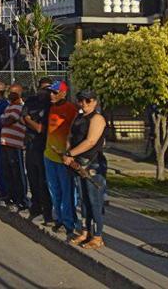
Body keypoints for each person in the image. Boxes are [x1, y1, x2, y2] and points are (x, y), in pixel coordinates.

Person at [65, 90, 108, 249]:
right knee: (83, 200)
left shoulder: (97, 118)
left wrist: (70, 153)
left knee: (94, 200)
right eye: (81, 100)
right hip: (78, 163)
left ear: (95, 101)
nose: (84, 103)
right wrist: (67, 154)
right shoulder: (79, 117)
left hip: (93, 164)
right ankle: (85, 231)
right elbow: (70, 136)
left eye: (88, 101)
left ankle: (97, 236)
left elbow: (90, 142)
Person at [44, 81, 79, 234]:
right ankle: (58, 217)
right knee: (54, 189)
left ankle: (69, 221)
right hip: (49, 155)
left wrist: (70, 154)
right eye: (51, 92)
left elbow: (75, 134)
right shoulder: (52, 108)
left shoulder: (71, 110)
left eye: (55, 92)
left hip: (64, 158)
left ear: (63, 93)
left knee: (67, 191)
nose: (52, 95)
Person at [22, 78, 54, 223]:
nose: (45, 92)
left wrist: (31, 122)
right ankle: (35, 206)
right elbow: (23, 117)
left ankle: (46, 211)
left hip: (45, 147)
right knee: (32, 178)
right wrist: (31, 122)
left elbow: (42, 129)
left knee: (43, 181)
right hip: (30, 144)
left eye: (48, 89)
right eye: (43, 88)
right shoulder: (31, 101)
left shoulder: (51, 106)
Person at [0, 84, 28, 210]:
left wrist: (5, 121)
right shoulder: (9, 106)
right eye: (9, 92)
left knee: (17, 172)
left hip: (15, 144)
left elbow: (9, 121)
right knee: (8, 171)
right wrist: (5, 121)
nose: (10, 94)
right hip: (5, 142)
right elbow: (1, 120)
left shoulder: (20, 106)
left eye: (13, 92)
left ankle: (21, 199)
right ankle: (11, 195)